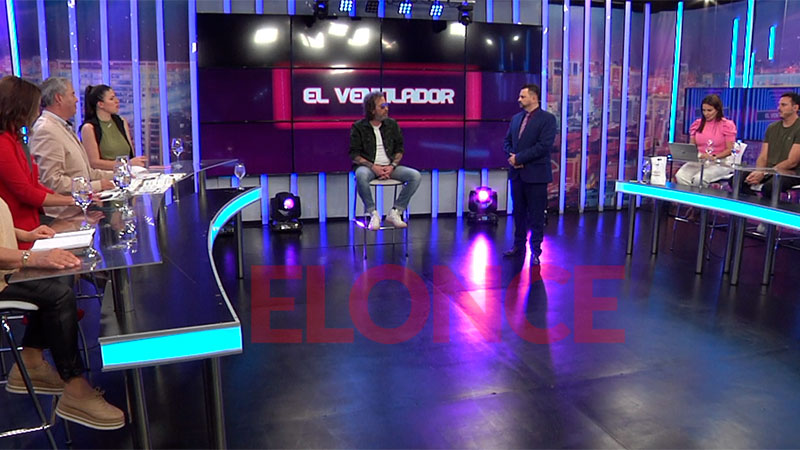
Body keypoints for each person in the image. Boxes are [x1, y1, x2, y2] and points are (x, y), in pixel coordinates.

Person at [0, 196, 125, 430]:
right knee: (57, 295)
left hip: (7, 271)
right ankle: (75, 387)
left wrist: (25, 235)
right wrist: (32, 257)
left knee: (62, 273)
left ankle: (30, 361)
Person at [0, 76, 78, 250]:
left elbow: (34, 184)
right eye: (35, 107)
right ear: (21, 107)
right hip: (18, 231)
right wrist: (71, 201)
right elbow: (25, 192)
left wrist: (73, 199)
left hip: (32, 226)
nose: (37, 113)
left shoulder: (15, 139)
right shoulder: (3, 143)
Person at [29, 77, 114, 217]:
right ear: (59, 98)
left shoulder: (62, 126)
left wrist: (118, 175)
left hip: (80, 210)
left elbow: (85, 173)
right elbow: (51, 181)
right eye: (72, 94)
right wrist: (96, 185)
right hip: (62, 216)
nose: (76, 100)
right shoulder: (46, 130)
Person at [349, 92, 422, 230]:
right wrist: (373, 167)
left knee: (415, 176)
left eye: (386, 105)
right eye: (382, 106)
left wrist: (392, 166)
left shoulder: (392, 124)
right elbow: (354, 155)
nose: (386, 109)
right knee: (360, 175)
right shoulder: (358, 127)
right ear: (372, 109)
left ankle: (396, 211)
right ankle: (373, 214)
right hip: (369, 167)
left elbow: (399, 149)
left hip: (390, 166)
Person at [502, 84, 557, 265]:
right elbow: (507, 141)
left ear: (534, 98)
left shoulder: (547, 119)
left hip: (536, 176)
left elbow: (543, 146)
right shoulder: (516, 119)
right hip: (517, 175)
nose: (519, 99)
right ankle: (519, 246)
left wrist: (520, 158)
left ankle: (536, 251)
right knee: (518, 213)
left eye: (522, 96)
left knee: (536, 215)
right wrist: (512, 157)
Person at [741, 92, 800, 199]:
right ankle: (753, 205)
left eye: (783, 105)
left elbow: (792, 162)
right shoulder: (772, 127)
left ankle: (775, 209)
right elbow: (763, 156)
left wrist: (765, 173)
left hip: (791, 173)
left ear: (795, 108)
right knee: (737, 180)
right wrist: (759, 171)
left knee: (769, 188)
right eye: (779, 105)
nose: (779, 108)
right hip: (769, 170)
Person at [80, 84, 146, 170]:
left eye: (115, 97)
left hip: (127, 173)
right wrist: (126, 164)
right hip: (105, 175)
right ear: (100, 104)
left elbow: (130, 153)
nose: (117, 101)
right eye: (111, 99)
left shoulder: (121, 121)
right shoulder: (89, 128)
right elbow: (94, 163)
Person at [675, 94, 737, 186]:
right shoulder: (697, 124)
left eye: (709, 110)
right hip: (699, 160)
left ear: (717, 110)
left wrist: (714, 157)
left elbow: (729, 150)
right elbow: (692, 147)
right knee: (680, 176)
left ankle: (700, 194)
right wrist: (689, 154)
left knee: (698, 179)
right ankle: (690, 195)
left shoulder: (727, 125)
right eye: (704, 110)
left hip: (719, 162)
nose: (706, 113)